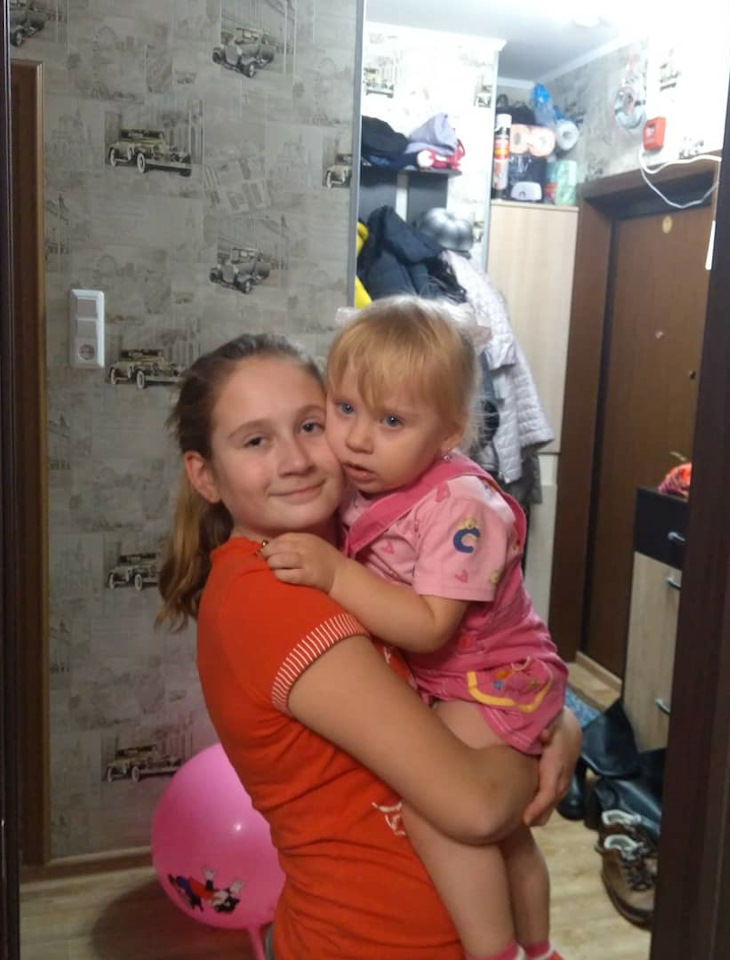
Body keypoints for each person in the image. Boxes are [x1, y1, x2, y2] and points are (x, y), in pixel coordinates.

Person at [156, 332, 582, 960]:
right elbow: (477, 806)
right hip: (375, 941)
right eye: (255, 441)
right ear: (205, 475)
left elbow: (474, 656)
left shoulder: (370, 549)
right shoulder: (273, 594)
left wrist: (555, 720)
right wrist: (539, 745)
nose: (297, 460)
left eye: (310, 425)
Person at [261, 298, 570, 960]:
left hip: (493, 678)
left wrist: (335, 575)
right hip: (459, 680)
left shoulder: (462, 508)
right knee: (509, 833)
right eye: (345, 408)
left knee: (438, 814)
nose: (357, 439)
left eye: (392, 420)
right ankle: (541, 950)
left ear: (448, 433)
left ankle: (496, 953)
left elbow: (430, 626)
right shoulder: (368, 479)